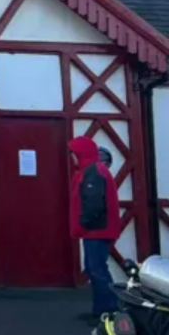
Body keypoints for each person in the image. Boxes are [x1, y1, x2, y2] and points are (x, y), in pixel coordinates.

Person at [69, 136, 122, 325]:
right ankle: (101, 310)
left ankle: (109, 312)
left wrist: (83, 223)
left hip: (97, 230)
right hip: (97, 229)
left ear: (80, 153)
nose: (72, 157)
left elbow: (93, 203)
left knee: (98, 270)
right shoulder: (92, 170)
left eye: (74, 153)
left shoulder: (92, 172)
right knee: (95, 269)